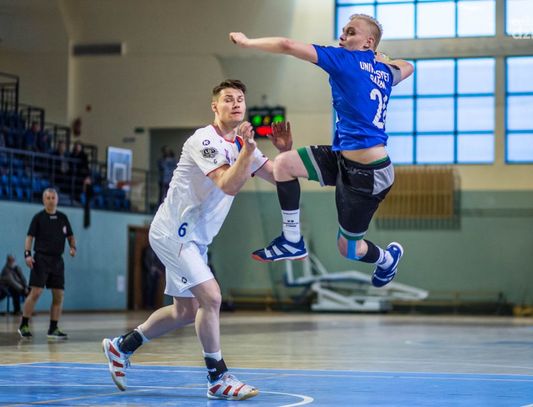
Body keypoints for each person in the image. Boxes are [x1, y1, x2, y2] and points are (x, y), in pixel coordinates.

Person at [102, 79, 291, 401]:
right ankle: (218, 378)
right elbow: (227, 184)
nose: (236, 103)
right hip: (173, 232)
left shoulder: (244, 146)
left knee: (186, 311)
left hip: (195, 240)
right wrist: (248, 152)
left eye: (240, 99)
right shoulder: (203, 140)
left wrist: (284, 153)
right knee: (212, 298)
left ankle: (122, 347)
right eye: (228, 99)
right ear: (215, 106)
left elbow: (277, 176)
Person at [230, 14, 414, 287]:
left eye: (350, 32)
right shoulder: (384, 72)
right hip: (343, 157)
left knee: (349, 249)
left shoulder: (344, 59)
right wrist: (381, 59)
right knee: (284, 164)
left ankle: (387, 259)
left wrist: (248, 42)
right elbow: (408, 66)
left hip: (369, 174)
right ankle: (291, 240)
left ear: (368, 42)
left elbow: (288, 45)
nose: (342, 36)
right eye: (343, 31)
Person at [18, 187, 76, 339]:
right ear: (44, 200)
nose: (51, 200)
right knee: (36, 292)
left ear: (57, 200)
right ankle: (24, 324)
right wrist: (27, 254)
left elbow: (70, 236)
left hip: (57, 261)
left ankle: (53, 328)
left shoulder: (63, 217)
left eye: (53, 197)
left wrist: (72, 247)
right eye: (48, 198)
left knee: (59, 295)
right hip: (41, 259)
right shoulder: (38, 217)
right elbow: (29, 237)